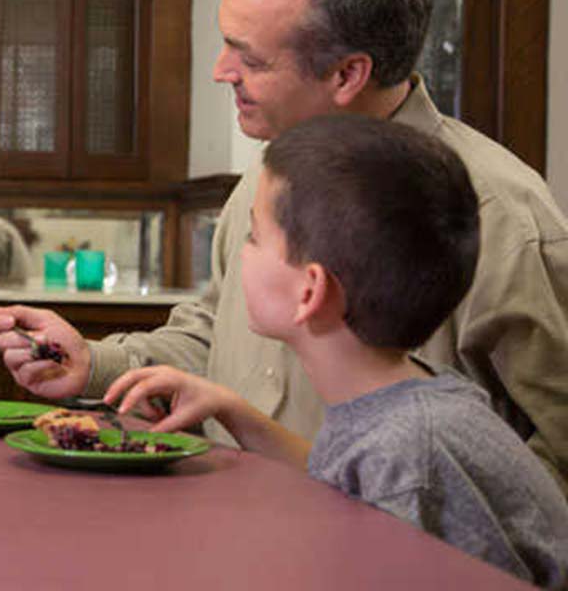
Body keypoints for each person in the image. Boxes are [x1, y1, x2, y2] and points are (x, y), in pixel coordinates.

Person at [0, 0, 568, 493]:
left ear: (347, 74)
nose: (221, 71)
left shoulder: (500, 220)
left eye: (251, 59)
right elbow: (214, 337)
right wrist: (91, 363)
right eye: (225, 44)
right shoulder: (270, 176)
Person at [104, 115, 568, 587]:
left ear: (310, 292)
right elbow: (339, 479)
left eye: (254, 237)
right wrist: (230, 409)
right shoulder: (411, 401)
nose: (240, 252)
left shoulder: (407, 458)